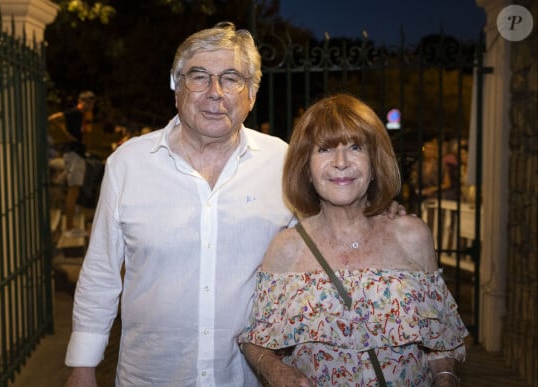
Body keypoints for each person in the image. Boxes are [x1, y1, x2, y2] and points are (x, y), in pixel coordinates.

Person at [64, 23, 405, 387]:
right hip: (152, 376)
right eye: (199, 77)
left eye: (231, 79)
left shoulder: (283, 162)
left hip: (247, 377)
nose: (215, 93)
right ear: (175, 86)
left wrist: (377, 212)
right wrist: (83, 366)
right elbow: (101, 273)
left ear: (252, 94)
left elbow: (329, 231)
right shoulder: (128, 164)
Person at [238, 94, 468, 386]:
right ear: (306, 168)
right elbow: (255, 339)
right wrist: (277, 372)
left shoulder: (412, 237)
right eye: (324, 149)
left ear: (374, 162)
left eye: (355, 147)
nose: (341, 162)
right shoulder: (286, 248)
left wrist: (445, 376)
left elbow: (441, 336)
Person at [48, 90, 96, 238]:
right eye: (91, 102)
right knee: (73, 190)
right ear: (84, 102)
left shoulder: (82, 116)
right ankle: (69, 228)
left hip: (77, 153)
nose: (92, 106)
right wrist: (67, 136)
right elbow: (52, 119)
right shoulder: (75, 112)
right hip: (74, 153)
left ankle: (70, 225)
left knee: (74, 189)